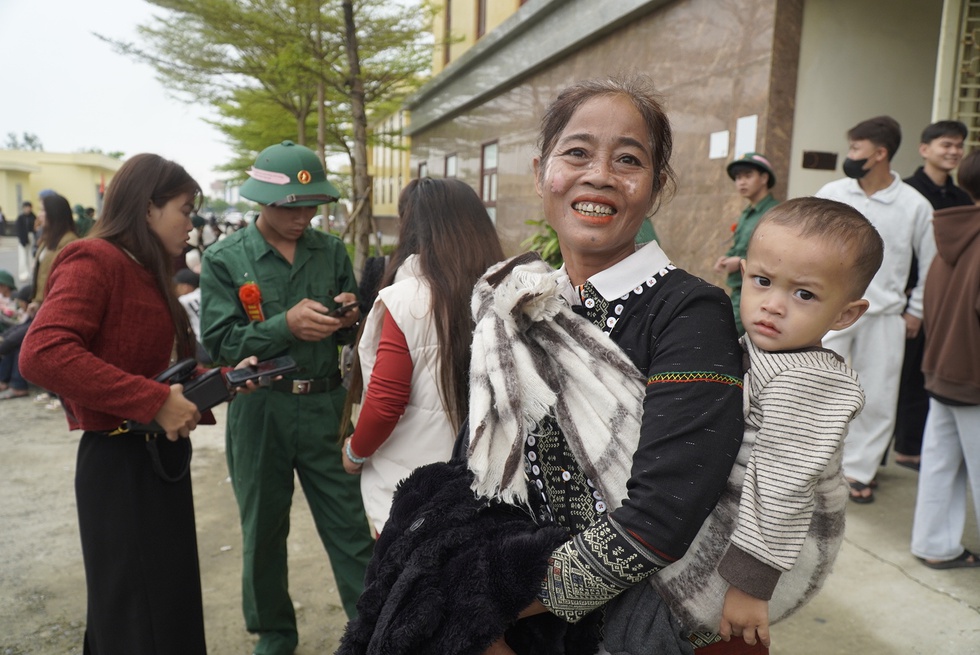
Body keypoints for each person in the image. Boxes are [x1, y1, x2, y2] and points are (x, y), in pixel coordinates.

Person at [339, 77, 753, 655]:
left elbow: (665, 514)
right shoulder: (517, 300)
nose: (600, 175)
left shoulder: (688, 311)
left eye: (628, 160)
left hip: (643, 624)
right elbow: (478, 461)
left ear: (656, 186)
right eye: (577, 152)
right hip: (527, 620)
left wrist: (482, 610)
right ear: (541, 173)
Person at [19, 153, 259, 654]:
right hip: (119, 466)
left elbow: (154, 368)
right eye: (184, 210)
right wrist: (151, 402)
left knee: (166, 606)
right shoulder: (94, 259)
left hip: (156, 459)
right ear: (148, 208)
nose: (191, 224)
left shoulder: (148, 271)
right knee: (134, 615)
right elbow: (43, 353)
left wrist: (220, 380)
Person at [649, 197, 883, 650]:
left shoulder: (807, 379)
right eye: (762, 281)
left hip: (757, 561)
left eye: (804, 294)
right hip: (733, 536)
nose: (773, 305)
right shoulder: (762, 349)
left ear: (845, 314)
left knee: (726, 641)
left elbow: (783, 485)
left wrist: (750, 585)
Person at [200, 140, 375, 655]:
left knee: (350, 525)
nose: (303, 218)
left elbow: (351, 332)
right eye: (291, 208)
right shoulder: (225, 259)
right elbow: (221, 343)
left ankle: (373, 629)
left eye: (312, 206)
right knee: (263, 531)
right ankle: (274, 634)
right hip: (261, 410)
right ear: (262, 202)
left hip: (325, 406)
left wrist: (350, 317)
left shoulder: (331, 251)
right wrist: (285, 325)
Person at [340, 177, 504, 533]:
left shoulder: (407, 300)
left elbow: (385, 402)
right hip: (491, 483)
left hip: (413, 490)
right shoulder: (506, 295)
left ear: (411, 227)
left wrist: (354, 451)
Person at [815, 116, 936, 503]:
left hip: (884, 316)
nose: (850, 155)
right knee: (818, 387)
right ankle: (813, 464)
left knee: (877, 397)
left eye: (856, 148)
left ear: (880, 153)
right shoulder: (833, 192)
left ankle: (859, 471)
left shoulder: (914, 205)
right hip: (831, 310)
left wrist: (916, 310)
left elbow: (931, 263)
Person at [909, 148, 980, 569]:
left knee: (940, 465)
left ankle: (935, 545)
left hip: (941, 369)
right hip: (973, 377)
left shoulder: (950, 235)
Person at [893, 121, 974, 471]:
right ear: (924, 149)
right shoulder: (906, 192)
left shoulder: (962, 198)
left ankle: (916, 447)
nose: (953, 151)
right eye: (946, 144)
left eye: (958, 146)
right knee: (904, 374)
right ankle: (898, 447)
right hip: (906, 299)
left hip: (947, 300)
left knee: (930, 373)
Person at [713, 152, 779, 334]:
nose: (741, 182)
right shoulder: (747, 213)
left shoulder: (775, 213)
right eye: (738, 177)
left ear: (764, 178)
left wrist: (741, 261)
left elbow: (777, 254)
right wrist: (727, 258)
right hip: (741, 287)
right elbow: (740, 245)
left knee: (728, 333)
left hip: (762, 290)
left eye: (748, 176)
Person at [15, 201, 36, 282]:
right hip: (22, 238)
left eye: (28, 207)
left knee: (32, 255)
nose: (27, 209)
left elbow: (35, 228)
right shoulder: (20, 218)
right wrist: (22, 239)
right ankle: (23, 273)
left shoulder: (33, 217)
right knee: (22, 256)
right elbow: (18, 229)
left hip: (31, 237)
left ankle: (32, 272)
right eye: (26, 207)